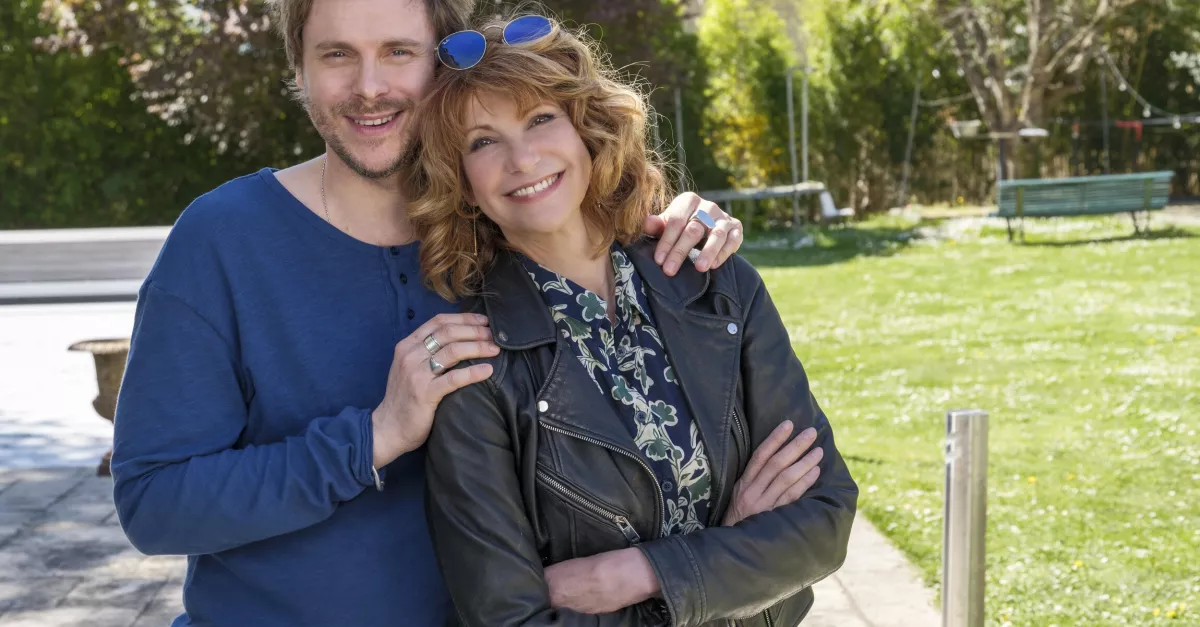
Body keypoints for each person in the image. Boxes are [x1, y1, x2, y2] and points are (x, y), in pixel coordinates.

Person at [108, 0, 747, 625]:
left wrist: (681, 227)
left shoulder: (509, 221)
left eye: (398, 51)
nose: (369, 87)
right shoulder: (222, 240)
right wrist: (375, 437)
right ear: (299, 68)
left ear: (443, 64)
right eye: (337, 55)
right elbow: (154, 505)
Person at [405, 13, 859, 627]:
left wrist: (633, 574)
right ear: (461, 182)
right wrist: (731, 556)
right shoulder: (476, 368)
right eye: (482, 142)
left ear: (586, 128)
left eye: (541, 119)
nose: (523, 158)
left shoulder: (717, 285)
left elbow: (825, 517)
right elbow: (512, 620)